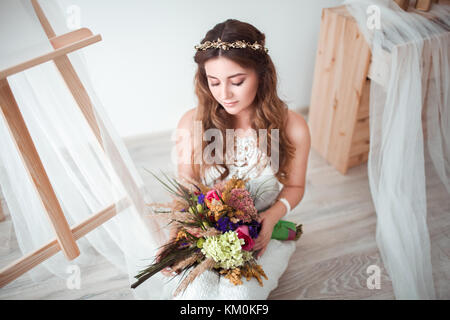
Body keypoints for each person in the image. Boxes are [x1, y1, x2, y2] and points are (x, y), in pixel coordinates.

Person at [158, 19, 311, 299]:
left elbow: (295, 187)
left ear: (262, 74)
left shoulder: (293, 127)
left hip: (260, 233)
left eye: (237, 81)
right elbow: (187, 188)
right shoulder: (192, 124)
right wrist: (179, 232)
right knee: (193, 295)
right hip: (204, 232)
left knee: (239, 298)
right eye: (214, 82)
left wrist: (271, 217)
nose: (224, 94)